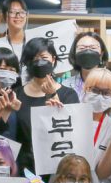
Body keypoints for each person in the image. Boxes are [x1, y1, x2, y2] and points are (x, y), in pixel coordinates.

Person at [15, 38, 81, 173]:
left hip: (57, 166)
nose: (39, 62)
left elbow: (71, 133)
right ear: (27, 62)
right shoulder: (17, 94)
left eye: (44, 57)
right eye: (33, 59)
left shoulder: (68, 94)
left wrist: (53, 95)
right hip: (24, 167)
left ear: (53, 59)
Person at [65, 31, 110, 99]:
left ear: (101, 54)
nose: (87, 51)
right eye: (82, 48)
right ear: (74, 54)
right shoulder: (66, 84)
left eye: (93, 48)